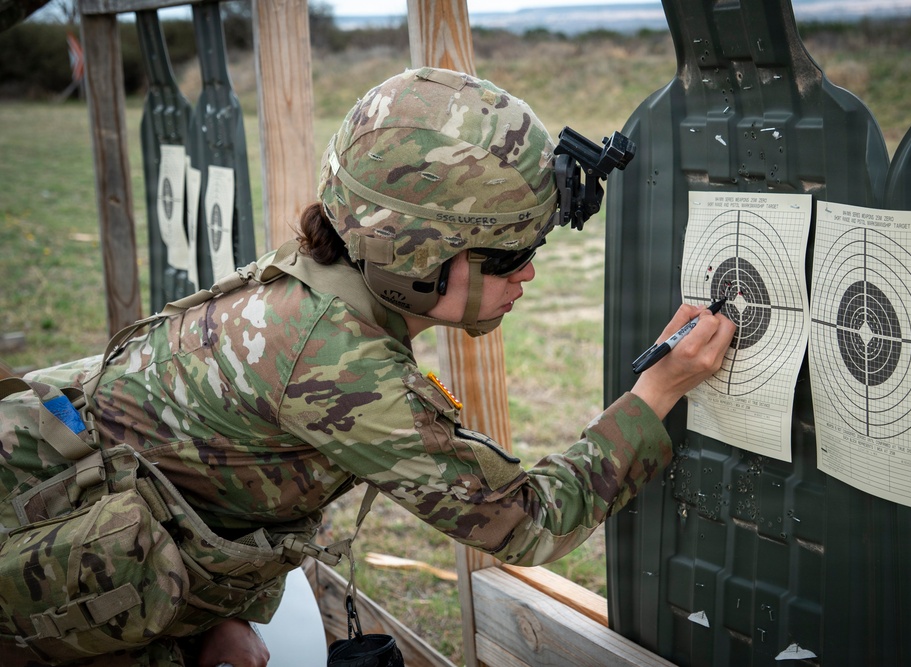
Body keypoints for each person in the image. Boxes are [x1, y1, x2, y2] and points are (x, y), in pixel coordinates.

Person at [0, 66, 735, 666]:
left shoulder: (318, 271)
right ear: (416, 256)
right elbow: (524, 520)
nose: (528, 277)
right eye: (509, 256)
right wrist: (655, 392)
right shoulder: (342, 366)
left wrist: (210, 618)